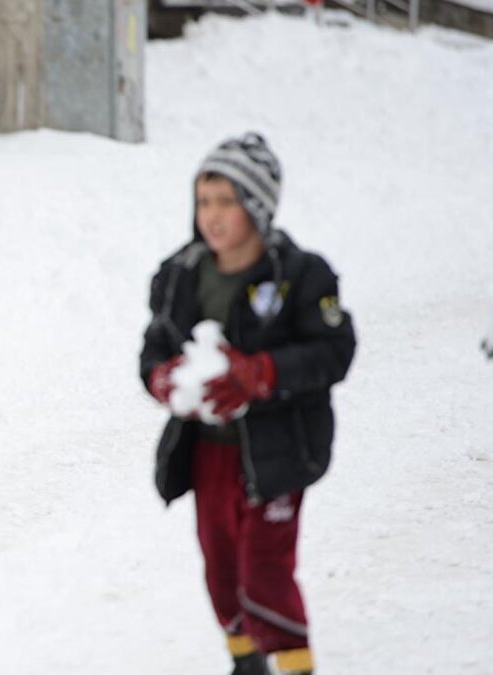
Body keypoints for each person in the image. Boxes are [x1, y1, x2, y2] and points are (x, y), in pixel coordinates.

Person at [139, 133, 356, 675]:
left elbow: (334, 350)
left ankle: (293, 665)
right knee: (218, 564)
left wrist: (264, 373)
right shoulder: (182, 274)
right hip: (208, 450)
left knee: (263, 567)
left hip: (277, 451)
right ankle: (245, 661)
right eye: (204, 200)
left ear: (256, 207)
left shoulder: (300, 276)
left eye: (227, 202)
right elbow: (155, 346)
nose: (212, 216)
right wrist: (164, 380)